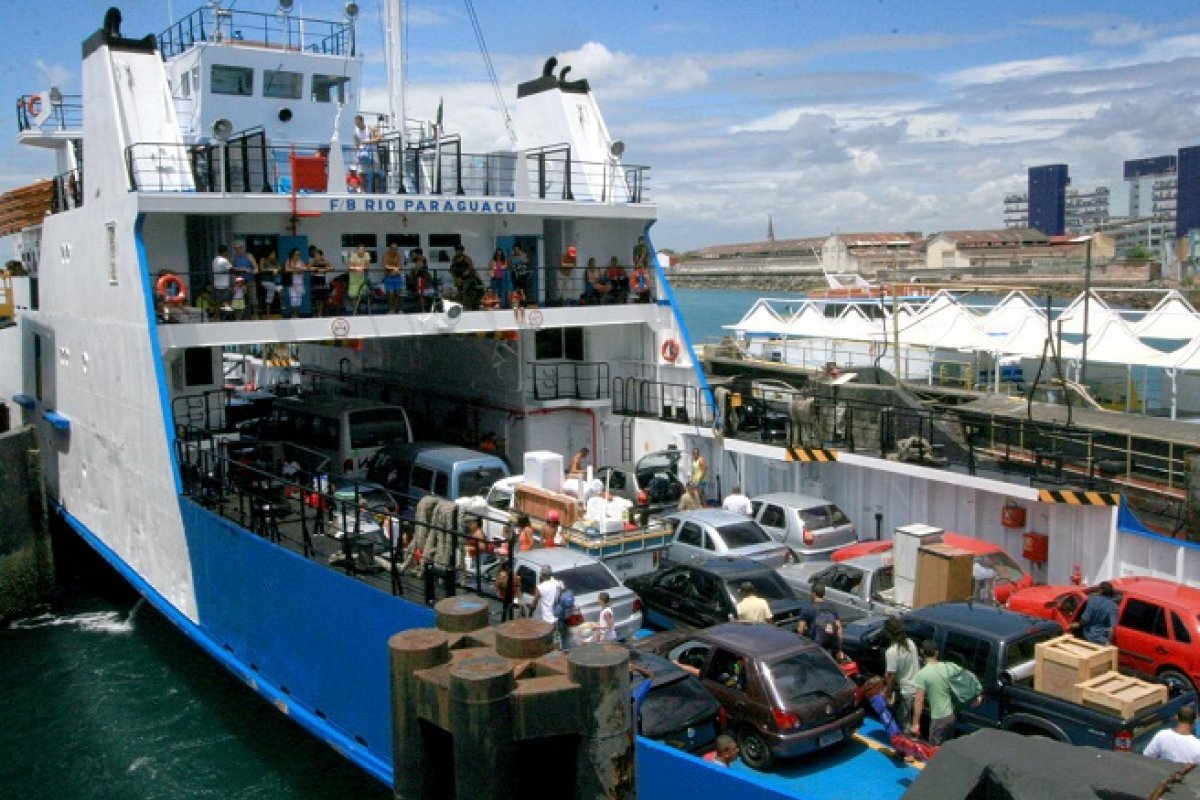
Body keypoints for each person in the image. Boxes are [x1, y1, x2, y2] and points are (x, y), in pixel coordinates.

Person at [911, 640, 959, 746]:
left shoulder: (923, 674)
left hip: (938, 718)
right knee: (946, 747)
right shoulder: (946, 667)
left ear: (922, 652)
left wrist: (915, 723)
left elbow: (919, 701)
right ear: (937, 653)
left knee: (934, 750)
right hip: (951, 715)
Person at [883, 617, 919, 735]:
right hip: (916, 688)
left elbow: (891, 677)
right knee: (909, 720)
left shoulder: (892, 652)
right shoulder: (910, 643)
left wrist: (887, 695)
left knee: (903, 723)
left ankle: (905, 750)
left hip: (905, 692)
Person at [797, 584, 844, 660]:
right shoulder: (832, 607)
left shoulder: (807, 609)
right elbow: (839, 629)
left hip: (816, 645)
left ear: (813, 594)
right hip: (832, 643)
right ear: (823, 594)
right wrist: (839, 650)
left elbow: (800, 631)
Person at [532, 565, 566, 648]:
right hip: (559, 618)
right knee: (558, 642)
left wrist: (529, 606)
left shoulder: (540, 587)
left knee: (547, 644)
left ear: (541, 575)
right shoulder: (558, 584)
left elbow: (534, 604)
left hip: (548, 621)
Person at [1077, 581, 1119, 645]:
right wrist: (1108, 642)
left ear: (1101, 590)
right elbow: (1112, 628)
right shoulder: (1113, 606)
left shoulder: (1092, 600)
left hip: (1088, 636)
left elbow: (1085, 619)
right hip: (1101, 640)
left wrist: (1077, 625)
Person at [229, 241, 259, 319]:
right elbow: (230, 268)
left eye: (239, 248)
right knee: (239, 300)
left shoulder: (249, 256)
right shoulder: (234, 258)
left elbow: (256, 268)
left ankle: (255, 316)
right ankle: (239, 318)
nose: (238, 250)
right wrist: (240, 269)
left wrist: (250, 270)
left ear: (243, 248)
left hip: (250, 280)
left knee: (253, 300)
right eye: (236, 248)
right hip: (239, 281)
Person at [282, 248, 308, 317]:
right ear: (293, 255)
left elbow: (305, 268)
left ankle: (296, 314)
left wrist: (294, 269)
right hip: (292, 282)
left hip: (299, 282)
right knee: (293, 299)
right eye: (296, 255)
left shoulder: (300, 261)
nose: (298, 256)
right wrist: (297, 269)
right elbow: (287, 269)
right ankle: (293, 314)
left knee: (299, 300)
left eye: (299, 255)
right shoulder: (289, 260)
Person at [347, 244, 371, 312]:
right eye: (360, 249)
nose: (361, 251)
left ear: (365, 250)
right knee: (354, 295)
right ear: (357, 250)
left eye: (363, 249)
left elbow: (367, 266)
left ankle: (367, 310)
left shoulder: (367, 254)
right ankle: (355, 310)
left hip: (363, 277)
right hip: (354, 278)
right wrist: (357, 268)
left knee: (366, 293)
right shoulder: (353, 256)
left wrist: (358, 268)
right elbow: (350, 267)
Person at [383, 243, 405, 313]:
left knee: (399, 293)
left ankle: (396, 309)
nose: (394, 249)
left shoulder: (398, 255)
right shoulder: (386, 255)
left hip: (397, 277)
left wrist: (395, 269)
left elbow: (399, 266)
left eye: (396, 248)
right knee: (390, 293)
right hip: (388, 277)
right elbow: (386, 266)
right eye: (393, 248)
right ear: (390, 248)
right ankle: (390, 309)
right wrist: (394, 268)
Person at [211, 244, 233, 314]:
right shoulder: (224, 261)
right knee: (226, 302)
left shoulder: (215, 260)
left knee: (218, 303)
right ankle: (225, 316)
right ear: (225, 252)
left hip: (216, 284)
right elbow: (231, 269)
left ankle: (216, 317)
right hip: (224, 285)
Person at [309, 248, 331, 316]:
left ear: (321, 256)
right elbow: (308, 267)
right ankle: (315, 312)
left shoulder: (325, 262)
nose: (316, 257)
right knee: (316, 298)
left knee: (321, 298)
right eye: (315, 255)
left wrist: (325, 269)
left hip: (322, 280)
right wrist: (316, 268)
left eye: (318, 255)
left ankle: (320, 313)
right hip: (315, 280)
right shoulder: (313, 262)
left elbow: (332, 267)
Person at [259, 249, 281, 315]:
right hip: (265, 281)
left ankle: (268, 314)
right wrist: (272, 270)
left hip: (272, 282)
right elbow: (261, 269)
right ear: (269, 254)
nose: (274, 256)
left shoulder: (275, 262)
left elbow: (280, 268)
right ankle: (282, 305)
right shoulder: (263, 259)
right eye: (273, 254)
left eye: (275, 255)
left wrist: (277, 268)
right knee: (280, 289)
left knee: (269, 298)